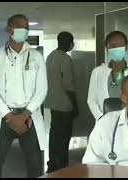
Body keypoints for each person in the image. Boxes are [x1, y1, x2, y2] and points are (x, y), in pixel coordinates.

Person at [0, 14, 47, 178]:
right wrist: (10, 116)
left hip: (29, 116)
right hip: (3, 117)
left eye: (26, 26)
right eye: (19, 26)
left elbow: (42, 90)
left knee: (35, 166)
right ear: (8, 30)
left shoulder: (36, 57)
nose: (23, 29)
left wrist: (25, 114)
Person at [87, 31, 128, 122]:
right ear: (107, 48)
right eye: (113, 46)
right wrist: (101, 118)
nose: (117, 49)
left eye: (121, 46)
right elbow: (91, 100)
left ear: (126, 47)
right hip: (106, 122)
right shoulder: (98, 72)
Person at [45, 31, 78, 173]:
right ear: (68, 43)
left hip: (53, 103)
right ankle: (62, 165)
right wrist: (75, 104)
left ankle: (52, 163)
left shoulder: (50, 56)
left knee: (54, 135)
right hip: (64, 104)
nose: (72, 45)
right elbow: (68, 84)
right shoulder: (65, 59)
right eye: (71, 42)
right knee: (64, 137)